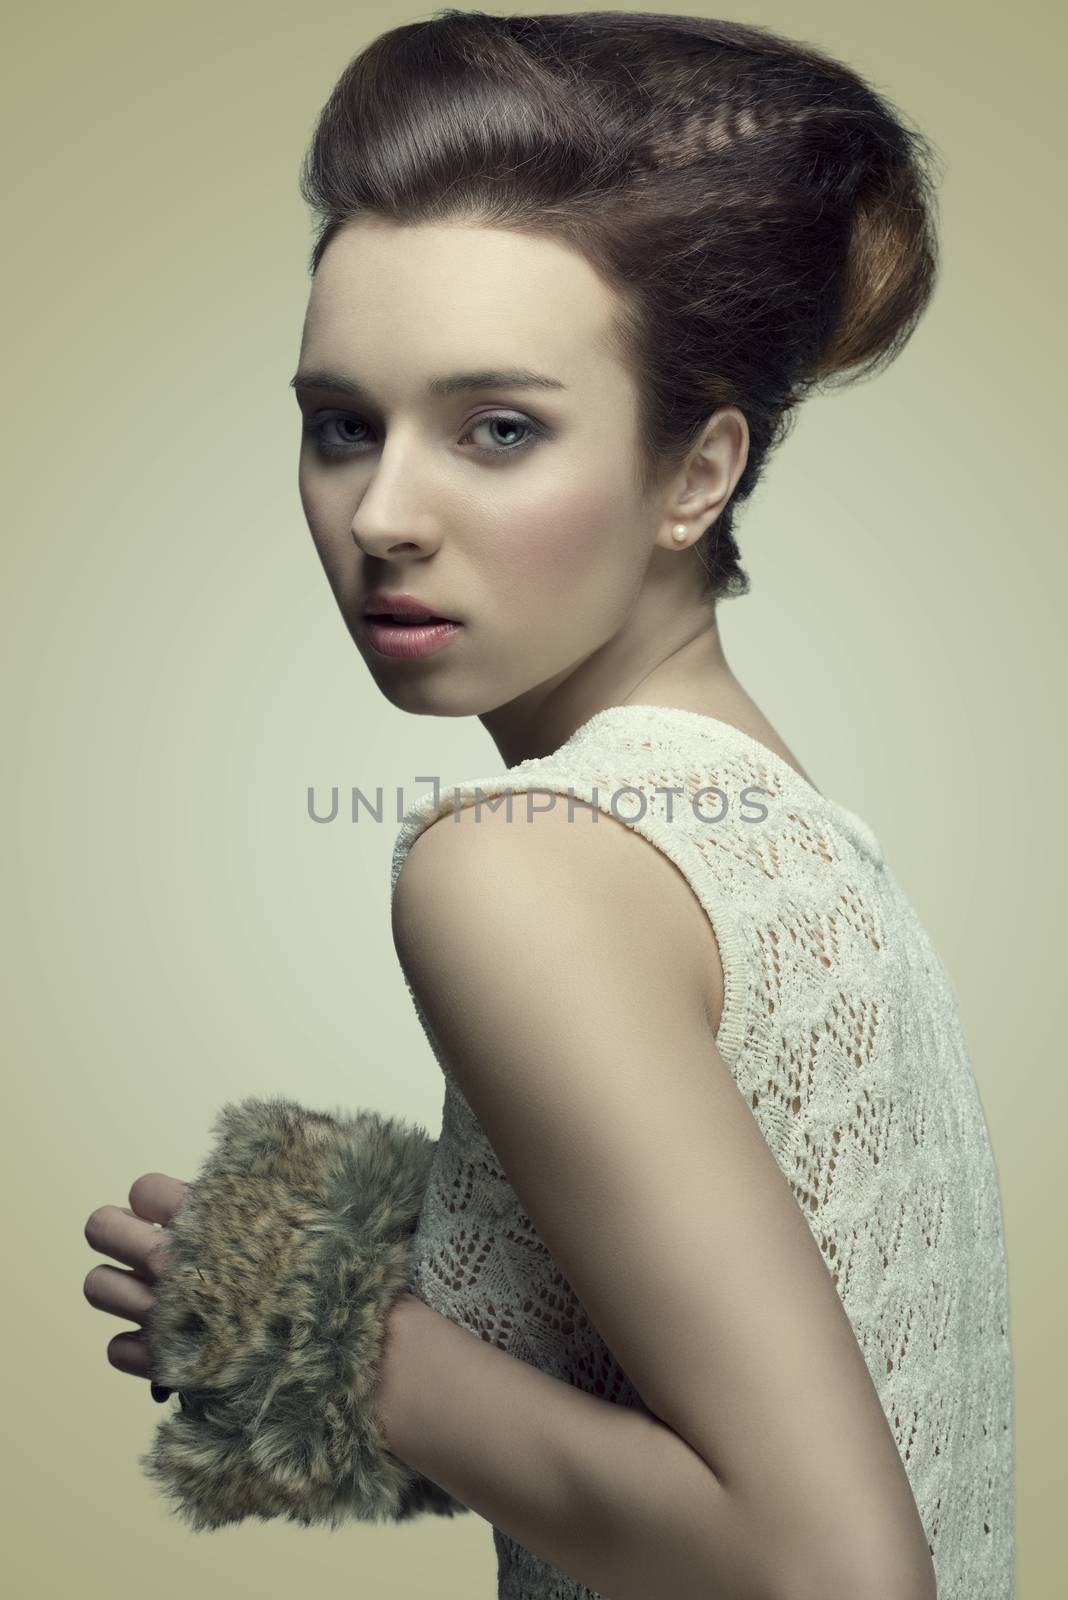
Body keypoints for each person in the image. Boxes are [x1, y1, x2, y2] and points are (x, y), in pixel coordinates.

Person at [82, 11, 1014, 1599]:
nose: (383, 513)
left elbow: (839, 1572)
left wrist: (325, 1333)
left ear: (696, 473)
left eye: (497, 430)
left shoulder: (522, 866)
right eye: (340, 425)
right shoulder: (795, 838)